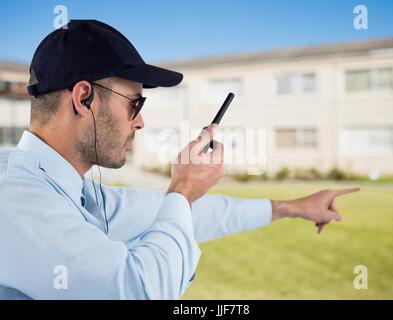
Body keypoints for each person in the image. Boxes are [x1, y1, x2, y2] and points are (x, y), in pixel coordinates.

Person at [0, 20, 359, 299]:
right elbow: (140, 290)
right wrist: (183, 189)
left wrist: (292, 207)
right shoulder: (18, 199)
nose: (140, 121)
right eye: (135, 103)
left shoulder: (76, 193)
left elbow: (188, 214)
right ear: (84, 98)